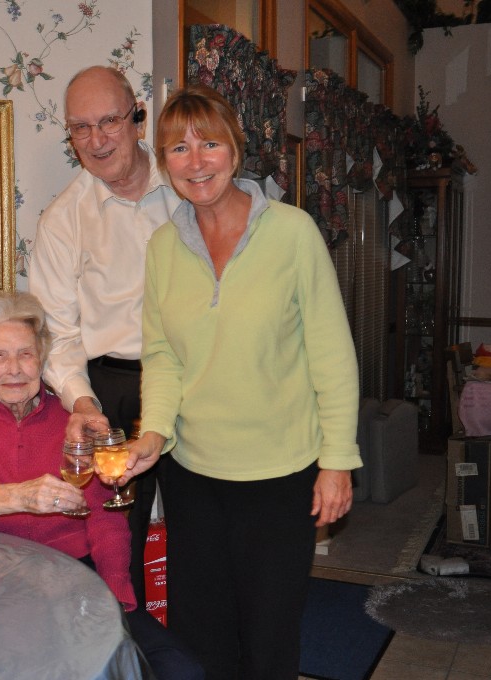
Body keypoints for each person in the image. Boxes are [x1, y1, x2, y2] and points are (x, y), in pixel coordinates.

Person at [117, 85, 363, 679]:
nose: (196, 161)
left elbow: (332, 355)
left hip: (280, 474)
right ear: (164, 162)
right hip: (193, 475)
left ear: (235, 149)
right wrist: (154, 433)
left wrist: (337, 460)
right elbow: (163, 356)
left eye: (209, 144)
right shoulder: (163, 247)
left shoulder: (292, 232)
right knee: (201, 636)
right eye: (178, 148)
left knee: (268, 639)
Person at [0, 291, 202, 680]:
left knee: (179, 668)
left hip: (70, 581)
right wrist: (13, 497)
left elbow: (105, 520)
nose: (14, 369)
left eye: (25, 354)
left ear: (42, 360)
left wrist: (114, 599)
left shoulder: (72, 422)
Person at [29, 65, 182, 608]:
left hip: (192, 379)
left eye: (109, 122)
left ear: (137, 117)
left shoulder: (190, 186)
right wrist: (83, 403)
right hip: (110, 391)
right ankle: (130, 643)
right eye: (80, 128)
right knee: (120, 541)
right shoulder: (62, 219)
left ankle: (202, 646)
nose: (96, 141)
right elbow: (56, 330)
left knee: (204, 526)